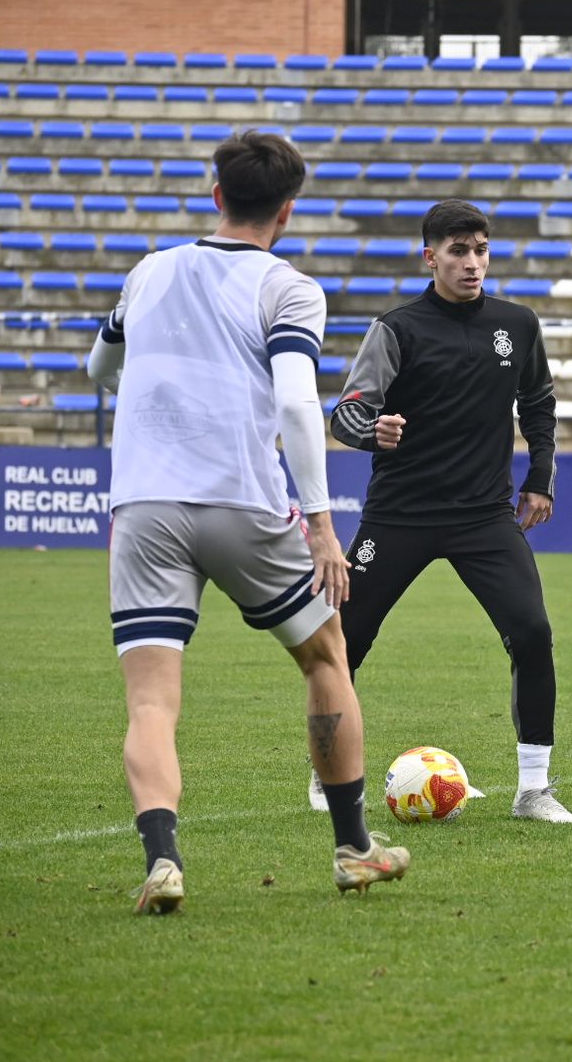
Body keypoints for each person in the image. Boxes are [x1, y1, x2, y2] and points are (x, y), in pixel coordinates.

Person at [86, 131, 410, 913]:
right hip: (244, 501)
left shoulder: (148, 271)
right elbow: (300, 402)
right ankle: (353, 848)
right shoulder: (288, 287)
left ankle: (164, 860)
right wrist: (324, 524)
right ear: (288, 210)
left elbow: (99, 370)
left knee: (152, 701)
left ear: (215, 195)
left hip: (147, 505)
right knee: (325, 655)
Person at [322, 198, 572, 824]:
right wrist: (371, 431)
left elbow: (539, 405)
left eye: (481, 249)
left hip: (484, 517)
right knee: (343, 640)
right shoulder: (397, 328)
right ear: (429, 256)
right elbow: (346, 412)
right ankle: (327, 777)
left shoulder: (517, 324)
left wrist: (539, 478)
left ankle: (533, 791)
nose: (472, 263)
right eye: (459, 250)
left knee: (533, 633)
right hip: (399, 515)